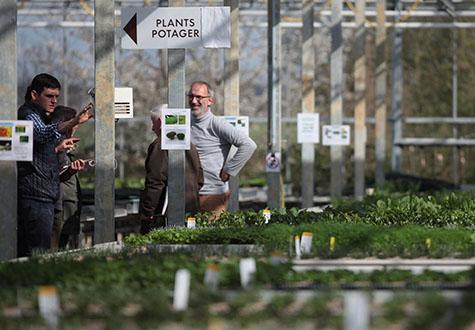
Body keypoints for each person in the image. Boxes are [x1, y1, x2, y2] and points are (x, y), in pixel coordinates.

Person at [17, 73, 93, 257]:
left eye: (56, 97)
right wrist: (74, 121)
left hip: (46, 195)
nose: (54, 101)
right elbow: (42, 134)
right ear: (35, 95)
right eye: (49, 96)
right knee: (38, 253)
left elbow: (39, 150)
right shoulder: (28, 114)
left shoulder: (40, 116)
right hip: (36, 195)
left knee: (43, 251)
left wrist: (57, 148)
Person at [188, 81, 257, 216]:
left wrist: (229, 169)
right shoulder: (185, 121)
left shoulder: (217, 124)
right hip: (189, 193)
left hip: (212, 194)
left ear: (210, 101)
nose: (194, 101)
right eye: (191, 96)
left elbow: (248, 145)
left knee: (208, 234)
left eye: (199, 97)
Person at [139, 105, 204, 234]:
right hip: (191, 208)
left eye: (154, 123)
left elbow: (156, 182)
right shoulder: (190, 145)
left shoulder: (159, 145)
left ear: (161, 122)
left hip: (165, 212)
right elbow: (200, 179)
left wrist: (147, 212)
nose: (152, 128)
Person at [50, 105, 88, 250]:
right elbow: (53, 175)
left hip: (68, 205)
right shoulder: (55, 146)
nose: (75, 128)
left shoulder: (65, 147)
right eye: (73, 124)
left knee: (63, 246)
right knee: (55, 247)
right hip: (61, 206)